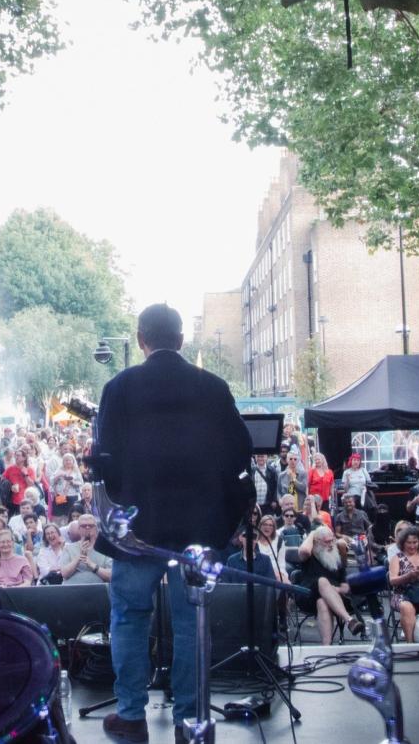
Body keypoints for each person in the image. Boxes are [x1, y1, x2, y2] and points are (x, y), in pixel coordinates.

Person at [91, 304, 252, 743]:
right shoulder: (212, 387)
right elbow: (240, 453)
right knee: (190, 621)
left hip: (138, 530)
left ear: (141, 339)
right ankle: (188, 718)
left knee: (128, 617)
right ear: (182, 340)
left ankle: (129, 713)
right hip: (199, 529)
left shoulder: (119, 387)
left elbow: (103, 461)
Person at [295, 526, 364, 641]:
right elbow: (303, 551)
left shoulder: (336, 558)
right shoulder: (310, 555)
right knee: (322, 581)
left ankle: (326, 647)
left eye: (332, 540)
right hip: (308, 595)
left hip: (335, 600)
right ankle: (349, 620)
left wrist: (333, 590)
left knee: (322, 602)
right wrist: (312, 533)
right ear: (316, 542)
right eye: (327, 542)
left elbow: (345, 587)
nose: (331, 544)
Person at [59, 514, 113, 584]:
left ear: (96, 528)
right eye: (84, 526)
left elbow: (111, 576)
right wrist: (79, 558)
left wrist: (92, 565)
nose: (87, 528)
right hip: (71, 591)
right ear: (79, 529)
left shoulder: (105, 549)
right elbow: (64, 574)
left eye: (91, 525)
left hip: (98, 591)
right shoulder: (68, 548)